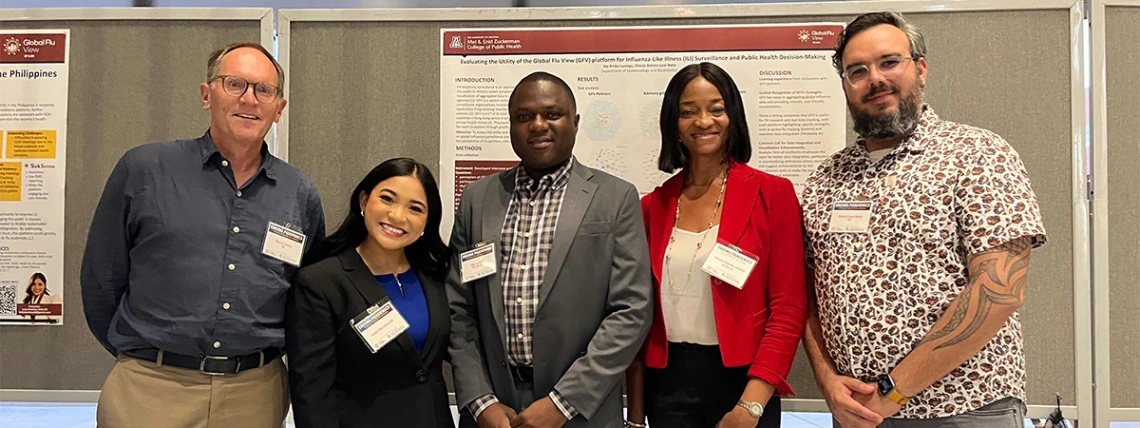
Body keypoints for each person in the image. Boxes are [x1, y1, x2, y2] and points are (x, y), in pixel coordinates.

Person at [799, 12, 1047, 428]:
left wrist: (894, 390)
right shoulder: (826, 178)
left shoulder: (977, 154)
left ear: (920, 68)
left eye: (889, 62)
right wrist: (827, 382)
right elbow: (806, 292)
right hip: (859, 415)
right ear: (845, 84)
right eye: (857, 70)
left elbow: (999, 291)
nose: (874, 78)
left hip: (966, 409)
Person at [80, 41, 325, 427]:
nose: (250, 99)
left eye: (264, 90)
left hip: (255, 394)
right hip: (151, 388)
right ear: (206, 95)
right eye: (235, 84)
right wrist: (142, 357)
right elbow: (101, 279)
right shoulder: (145, 170)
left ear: (279, 109)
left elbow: (307, 296)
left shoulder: (299, 193)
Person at [447, 71, 654, 428]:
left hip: (579, 409)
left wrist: (563, 402)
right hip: (494, 408)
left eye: (552, 114)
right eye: (524, 117)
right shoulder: (477, 200)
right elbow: (458, 307)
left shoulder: (615, 197)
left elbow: (631, 310)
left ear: (575, 122)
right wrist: (481, 401)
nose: (538, 125)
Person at [624, 62, 807, 428]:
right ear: (672, 124)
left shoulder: (773, 194)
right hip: (668, 383)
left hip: (743, 383)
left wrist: (751, 405)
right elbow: (637, 317)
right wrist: (637, 413)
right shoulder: (652, 207)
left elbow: (788, 308)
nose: (703, 121)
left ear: (732, 116)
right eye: (688, 111)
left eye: (716, 109)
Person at [286, 157, 454, 428]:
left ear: (427, 222)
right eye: (387, 199)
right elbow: (312, 392)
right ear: (364, 202)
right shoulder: (321, 282)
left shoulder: (436, 275)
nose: (398, 216)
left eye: (415, 208)